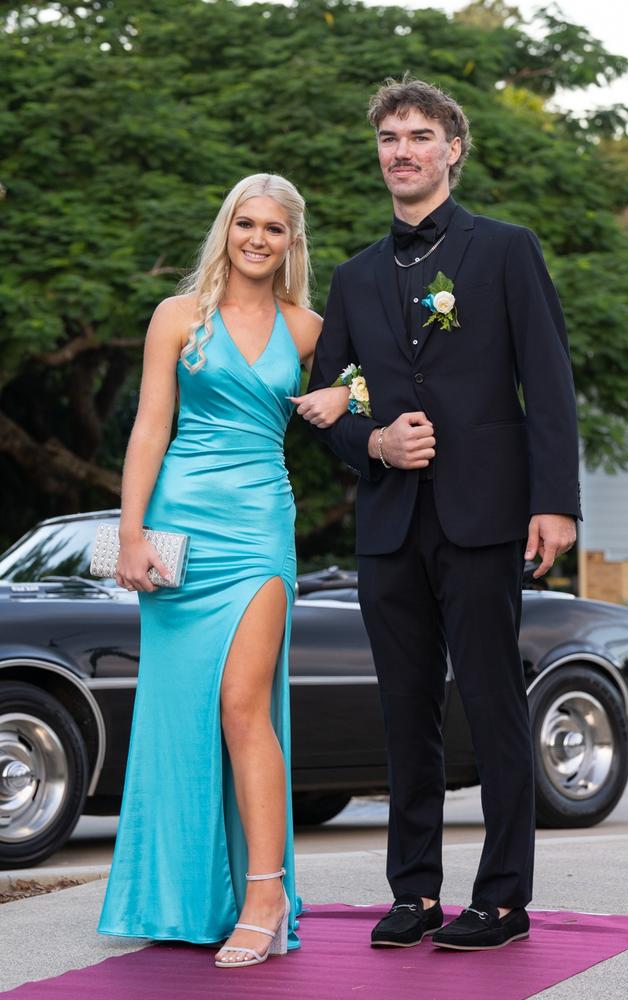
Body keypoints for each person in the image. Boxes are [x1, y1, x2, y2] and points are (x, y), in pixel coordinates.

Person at [296, 77, 580, 952]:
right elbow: (324, 402)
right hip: (389, 525)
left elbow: (549, 378)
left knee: (493, 705)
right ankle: (413, 890)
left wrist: (556, 505)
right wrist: (375, 444)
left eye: (420, 136)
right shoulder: (354, 276)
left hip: (487, 517)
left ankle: (501, 898)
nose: (403, 151)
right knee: (403, 711)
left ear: (451, 149)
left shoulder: (504, 249)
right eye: (389, 138)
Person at [96, 173, 350, 968]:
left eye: (275, 229)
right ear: (227, 228)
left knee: (245, 706)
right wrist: (132, 530)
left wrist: (347, 395)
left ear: (291, 242)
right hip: (179, 532)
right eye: (247, 223)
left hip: (259, 533)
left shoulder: (309, 329)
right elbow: (149, 427)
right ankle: (176, 898)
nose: (258, 239)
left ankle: (266, 893)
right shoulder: (177, 316)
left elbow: (386, 377)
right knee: (178, 718)